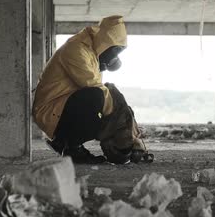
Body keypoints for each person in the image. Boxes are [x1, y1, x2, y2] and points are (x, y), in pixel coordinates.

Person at [32, 15, 138, 164]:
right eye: (114, 52)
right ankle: (72, 148)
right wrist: (117, 118)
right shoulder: (76, 49)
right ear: (106, 43)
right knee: (96, 96)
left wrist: (127, 122)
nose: (114, 58)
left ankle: (63, 142)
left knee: (107, 93)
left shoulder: (92, 52)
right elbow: (92, 86)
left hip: (62, 106)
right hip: (50, 110)